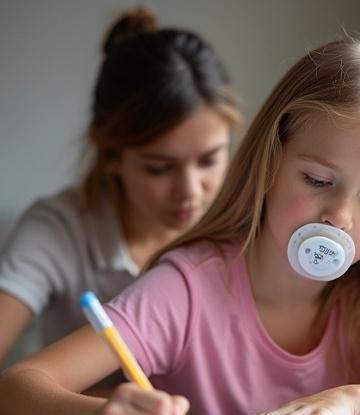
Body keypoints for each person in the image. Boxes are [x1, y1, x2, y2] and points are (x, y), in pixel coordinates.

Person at [0, 34, 360, 415]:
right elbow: (17, 388)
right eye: (316, 178)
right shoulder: (189, 287)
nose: (340, 216)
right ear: (269, 160)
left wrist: (350, 400)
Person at [0, 7, 240, 364]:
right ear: (111, 155)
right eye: (159, 168)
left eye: (209, 160)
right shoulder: (59, 230)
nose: (190, 190)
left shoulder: (245, 228)